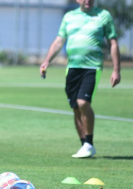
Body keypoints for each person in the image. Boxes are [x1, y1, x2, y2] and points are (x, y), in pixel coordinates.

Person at [40, 0, 120, 158]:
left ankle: (89, 143)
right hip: (72, 68)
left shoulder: (103, 16)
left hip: (92, 67)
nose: (87, 0)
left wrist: (116, 70)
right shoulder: (69, 16)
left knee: (83, 103)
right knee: (76, 106)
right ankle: (85, 145)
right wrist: (47, 60)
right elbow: (59, 41)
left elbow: (113, 42)